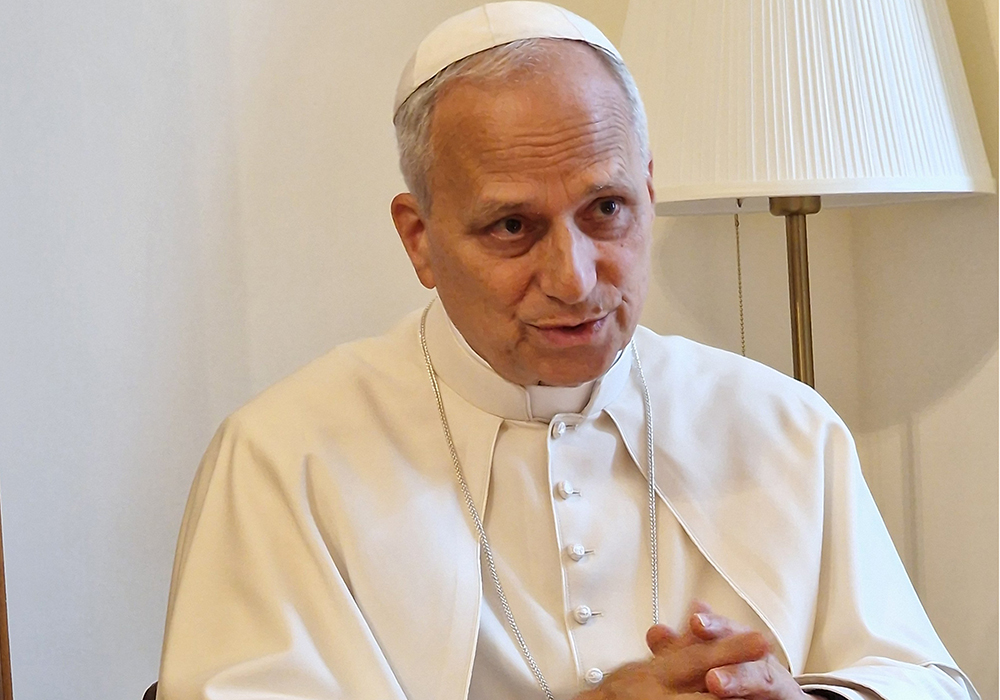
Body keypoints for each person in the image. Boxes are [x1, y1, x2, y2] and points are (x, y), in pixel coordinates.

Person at [156, 3, 977, 699]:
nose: (575, 278)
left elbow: (930, 680)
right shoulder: (281, 457)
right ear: (420, 239)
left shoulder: (783, 424)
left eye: (607, 209)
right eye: (512, 226)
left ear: (649, 194)